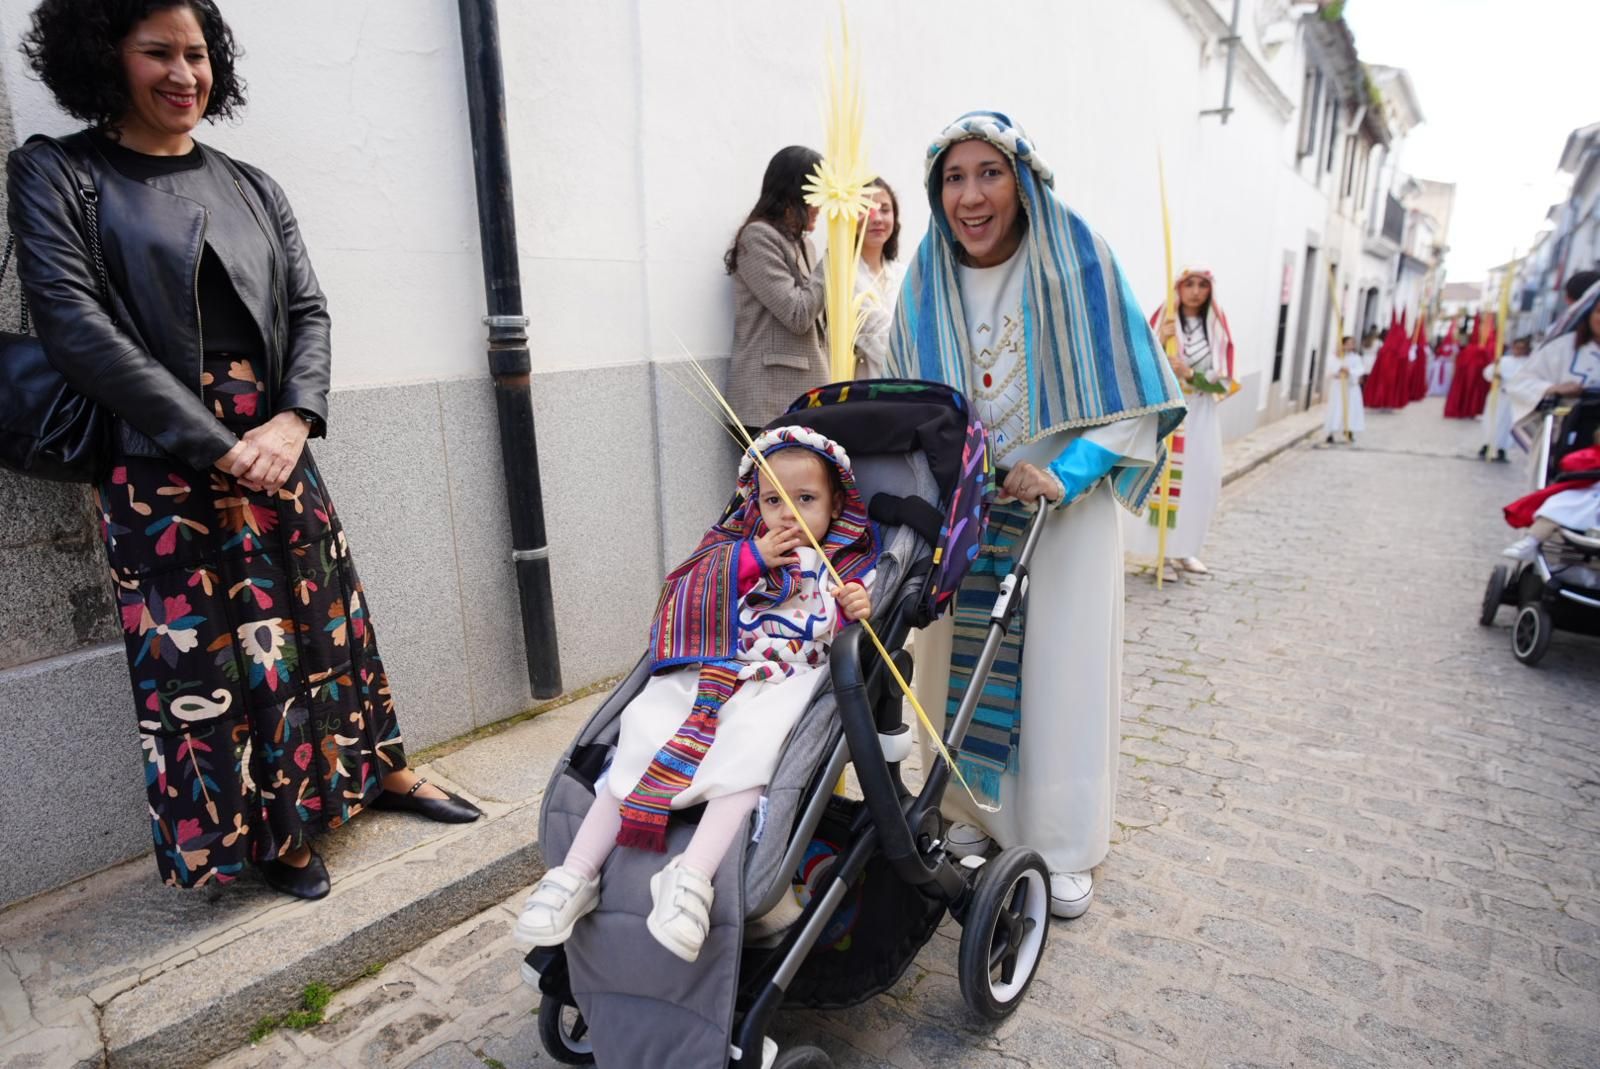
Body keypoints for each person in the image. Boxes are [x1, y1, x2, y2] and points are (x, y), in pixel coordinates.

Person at [7, 0, 480, 900]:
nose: (184, 74)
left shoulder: (252, 183)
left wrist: (293, 420)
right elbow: (74, 327)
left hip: (274, 440)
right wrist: (220, 446)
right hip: (159, 457)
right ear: (104, 57)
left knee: (328, 623)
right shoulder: (57, 173)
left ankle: (371, 769)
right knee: (211, 659)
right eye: (157, 52)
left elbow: (308, 310)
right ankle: (277, 829)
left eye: (197, 53)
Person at [888, 111, 1184, 920]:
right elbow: (903, 398)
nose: (971, 196)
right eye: (954, 177)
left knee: (1061, 678)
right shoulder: (924, 282)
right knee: (957, 668)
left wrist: (1064, 472)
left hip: (1063, 520)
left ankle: (1059, 843)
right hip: (970, 519)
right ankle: (969, 818)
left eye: (988, 173)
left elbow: (1140, 396)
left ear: (1021, 182)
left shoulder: (1078, 263)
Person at [514, 426, 877, 962]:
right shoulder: (733, 551)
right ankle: (575, 874)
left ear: (835, 504)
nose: (789, 515)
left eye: (806, 500)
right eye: (775, 500)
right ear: (755, 503)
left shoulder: (842, 569)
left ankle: (690, 878)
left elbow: (843, 635)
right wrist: (751, 558)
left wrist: (856, 609)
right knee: (643, 734)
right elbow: (686, 596)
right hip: (710, 672)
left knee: (753, 757)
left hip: (776, 687)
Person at [1126, 265, 1236, 576]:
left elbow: (1225, 381)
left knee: (1198, 482)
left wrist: (1191, 374)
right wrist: (1160, 340)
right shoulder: (1165, 324)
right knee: (1162, 480)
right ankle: (1161, 553)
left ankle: (1185, 550)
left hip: (1200, 415)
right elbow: (1140, 362)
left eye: (1202, 285)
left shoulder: (1214, 331)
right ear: (1179, 287)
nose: (1196, 291)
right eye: (1190, 284)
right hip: (1169, 412)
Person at [724, 146, 828, 434]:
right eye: (817, 195)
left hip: (804, 400)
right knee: (769, 482)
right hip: (766, 403)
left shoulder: (804, 243)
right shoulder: (758, 237)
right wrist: (835, 259)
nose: (821, 206)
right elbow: (797, 314)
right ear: (796, 193)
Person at [1505, 282, 1600, 428]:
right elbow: (1519, 384)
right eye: (1599, 311)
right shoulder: (1562, 347)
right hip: (1567, 437)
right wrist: (1552, 388)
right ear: (1588, 314)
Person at [1502, 431, 1600, 559]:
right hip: (1587, 495)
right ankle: (1531, 540)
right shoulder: (1593, 454)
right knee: (1557, 505)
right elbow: (1569, 463)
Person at [853, 177, 902, 378]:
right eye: (865, 208)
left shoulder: (906, 274)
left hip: (909, 393)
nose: (877, 218)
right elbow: (882, 339)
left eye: (885, 209)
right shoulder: (843, 278)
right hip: (862, 395)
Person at [1478, 336, 1532, 462]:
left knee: (1508, 424)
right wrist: (1495, 374)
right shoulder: (1503, 361)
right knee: (1492, 420)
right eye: (1516, 348)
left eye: (1521, 348)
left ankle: (1502, 448)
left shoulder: (1529, 363)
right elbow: (1488, 373)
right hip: (1499, 395)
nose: (1518, 350)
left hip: (1515, 398)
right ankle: (1487, 444)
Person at [1324, 336, 1366, 443]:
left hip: (1351, 388)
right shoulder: (1335, 357)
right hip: (1338, 387)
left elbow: (1360, 370)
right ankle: (1331, 432)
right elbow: (1330, 370)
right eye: (1348, 343)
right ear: (1343, 344)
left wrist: (1349, 371)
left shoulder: (1356, 357)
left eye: (1352, 343)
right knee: (1336, 409)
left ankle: (1349, 430)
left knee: (1351, 410)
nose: (1350, 345)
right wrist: (1339, 368)